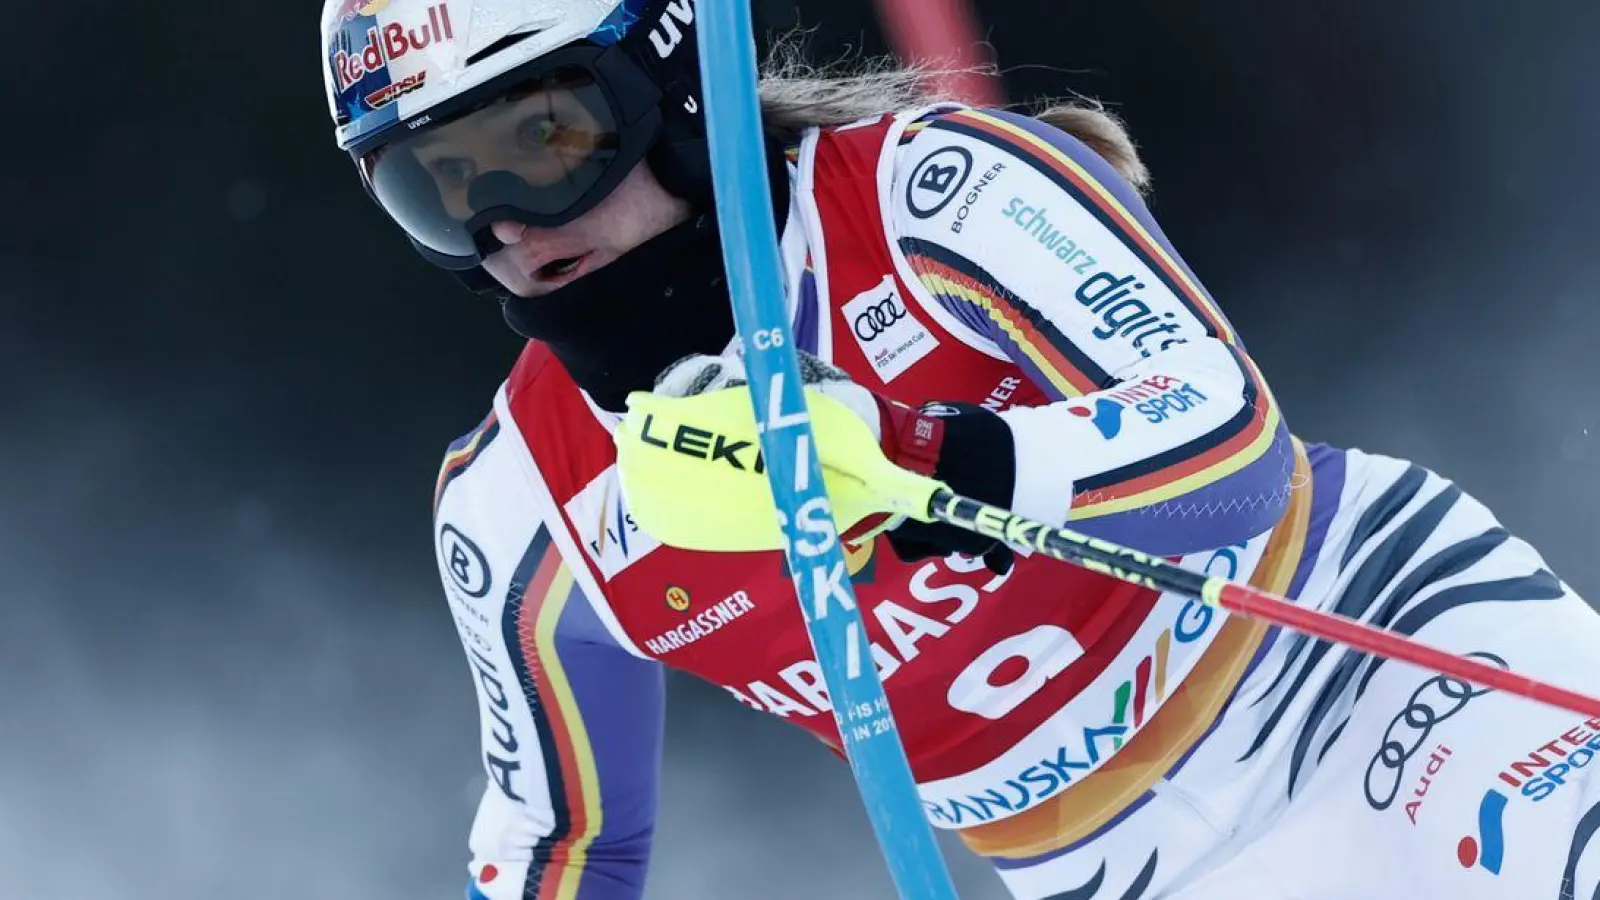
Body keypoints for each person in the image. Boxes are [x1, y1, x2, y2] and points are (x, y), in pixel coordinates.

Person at [321, 1, 1600, 897]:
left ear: (667, 93)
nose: (509, 234)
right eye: (438, 190)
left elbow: (1230, 449)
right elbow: (563, 848)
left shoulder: (940, 195)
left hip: (1377, 664)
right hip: (1128, 873)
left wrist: (926, 458)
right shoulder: (518, 505)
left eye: (544, 146)